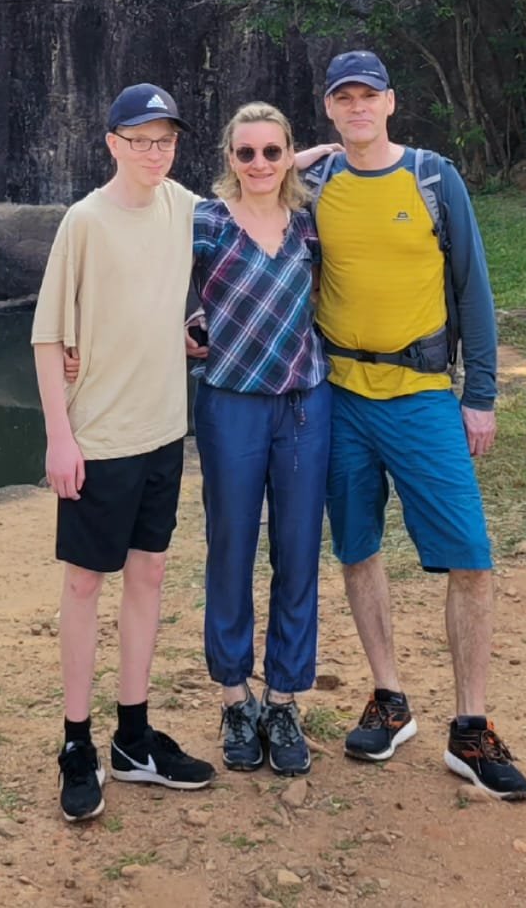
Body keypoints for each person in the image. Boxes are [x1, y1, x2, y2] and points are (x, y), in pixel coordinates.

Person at [306, 50, 526, 802]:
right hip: (339, 395)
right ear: (330, 109)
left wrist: (482, 393)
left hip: (423, 395)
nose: (358, 106)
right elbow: (243, 190)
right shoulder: (317, 186)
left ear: (390, 102)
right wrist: (309, 154)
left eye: (368, 95)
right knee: (357, 547)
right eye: (344, 97)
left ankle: (470, 725)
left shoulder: (432, 178)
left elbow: (472, 283)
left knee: (469, 556)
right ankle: (388, 695)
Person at [32, 83, 215, 823]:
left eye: (164, 139)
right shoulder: (84, 221)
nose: (153, 152)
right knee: (84, 585)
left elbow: (253, 191)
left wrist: (313, 156)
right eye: (139, 139)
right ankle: (76, 742)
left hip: (164, 430)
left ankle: (132, 735)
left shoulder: (182, 206)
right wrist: (59, 436)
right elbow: (49, 335)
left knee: (149, 574)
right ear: (110, 142)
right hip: (98, 437)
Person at [186, 102, 332, 779]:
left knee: (298, 550)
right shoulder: (204, 221)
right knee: (230, 548)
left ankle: (282, 697)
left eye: (271, 152)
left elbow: (346, 152)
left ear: (286, 153)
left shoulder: (309, 221)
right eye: (245, 153)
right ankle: (233, 695)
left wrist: (299, 164)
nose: (258, 164)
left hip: (303, 404)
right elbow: (147, 279)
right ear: (228, 159)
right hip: (229, 405)